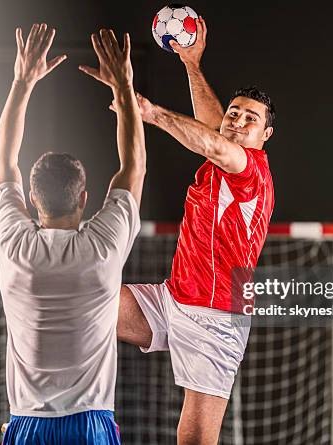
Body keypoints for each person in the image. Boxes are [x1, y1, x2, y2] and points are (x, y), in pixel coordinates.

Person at [115, 17, 275, 445]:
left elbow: (212, 141)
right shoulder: (225, 152)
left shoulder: (249, 170)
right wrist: (191, 63)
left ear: (266, 135)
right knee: (85, 303)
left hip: (216, 316)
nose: (238, 121)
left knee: (195, 439)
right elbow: (215, 128)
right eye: (235, 113)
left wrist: (150, 113)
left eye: (251, 120)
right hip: (173, 298)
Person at [0, 23, 145, 444]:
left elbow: (3, 163)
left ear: (32, 201)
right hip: (90, 423)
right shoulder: (101, 249)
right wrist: (123, 88)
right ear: (85, 197)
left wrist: (22, 82)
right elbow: (133, 168)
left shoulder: (14, 246)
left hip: (27, 425)